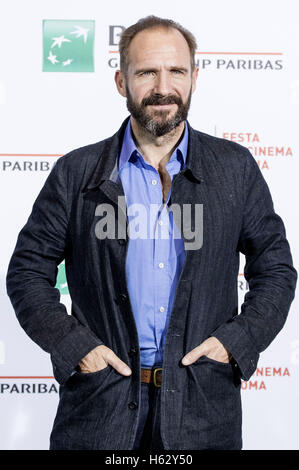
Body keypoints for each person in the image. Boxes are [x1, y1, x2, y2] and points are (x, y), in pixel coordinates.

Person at [6, 16, 297, 451]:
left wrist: (235, 342)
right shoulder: (76, 173)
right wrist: (74, 345)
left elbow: (274, 270)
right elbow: (27, 272)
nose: (163, 87)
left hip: (203, 414)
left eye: (176, 71)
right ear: (122, 81)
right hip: (99, 414)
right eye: (147, 73)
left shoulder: (235, 169)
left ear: (194, 77)